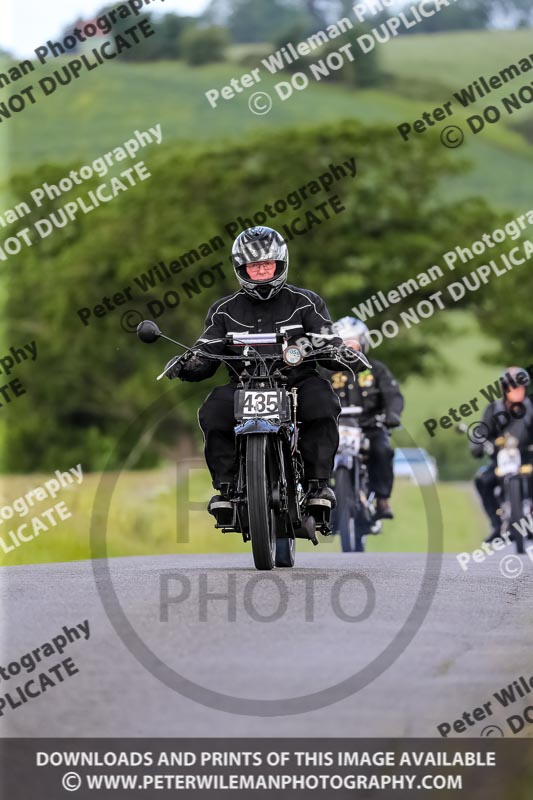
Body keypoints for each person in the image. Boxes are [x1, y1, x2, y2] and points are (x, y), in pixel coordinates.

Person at [163, 226, 367, 521]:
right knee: (211, 410)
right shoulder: (223, 310)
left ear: (279, 264)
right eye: (254, 265)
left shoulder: (306, 302)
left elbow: (328, 340)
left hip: (298, 382)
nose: (261, 271)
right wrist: (186, 364)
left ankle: (317, 487)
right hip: (243, 384)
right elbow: (205, 352)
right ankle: (227, 490)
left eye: (266, 264)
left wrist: (343, 354)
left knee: (324, 401)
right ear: (241, 268)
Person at [327, 317, 404, 520]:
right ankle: (318, 498)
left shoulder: (376, 370)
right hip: (334, 428)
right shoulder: (326, 372)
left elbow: (393, 396)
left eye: (354, 341)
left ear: (364, 341)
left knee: (383, 450)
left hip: (370, 426)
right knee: (314, 451)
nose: (351, 348)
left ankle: (382, 500)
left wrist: (392, 415)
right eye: (345, 343)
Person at [471, 366, 533, 542]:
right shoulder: (493, 410)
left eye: (520, 386)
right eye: (512, 386)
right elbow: (481, 432)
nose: (516, 390)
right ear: (504, 389)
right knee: (483, 480)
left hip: (528, 457)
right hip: (501, 460)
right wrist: (478, 446)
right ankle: (497, 525)